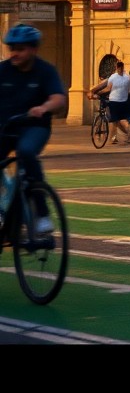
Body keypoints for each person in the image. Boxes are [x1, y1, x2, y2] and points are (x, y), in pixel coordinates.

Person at [0, 24, 66, 236]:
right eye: (12, 48)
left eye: (20, 49)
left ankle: (42, 214)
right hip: (6, 127)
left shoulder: (45, 71)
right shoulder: (3, 70)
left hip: (34, 127)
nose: (14, 53)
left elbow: (59, 98)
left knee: (26, 152)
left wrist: (44, 107)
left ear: (34, 50)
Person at [88, 59, 130, 144]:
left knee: (115, 120)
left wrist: (95, 93)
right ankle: (124, 135)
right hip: (115, 100)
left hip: (112, 100)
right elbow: (100, 87)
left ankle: (115, 136)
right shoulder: (122, 78)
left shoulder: (114, 78)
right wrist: (93, 93)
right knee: (115, 120)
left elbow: (104, 88)